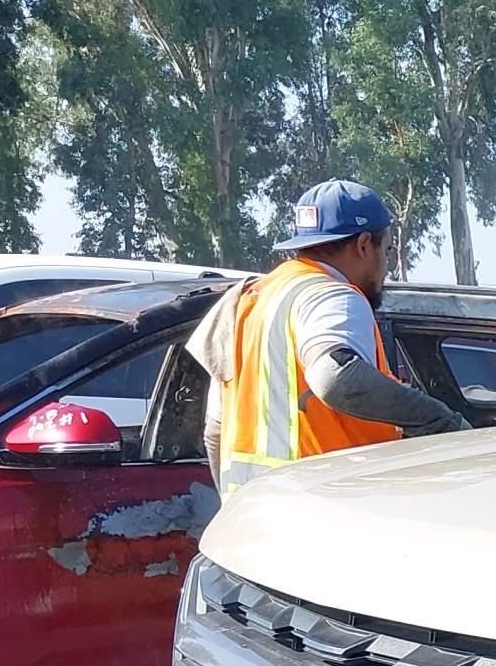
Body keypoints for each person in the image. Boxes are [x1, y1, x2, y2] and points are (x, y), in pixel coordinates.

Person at [191, 179, 468, 493]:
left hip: (251, 517)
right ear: (364, 244)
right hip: (324, 509)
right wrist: (440, 421)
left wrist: (233, 508)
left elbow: (215, 429)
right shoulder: (332, 295)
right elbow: (335, 376)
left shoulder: (247, 300)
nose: (386, 267)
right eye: (387, 250)